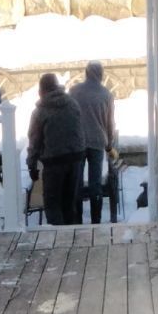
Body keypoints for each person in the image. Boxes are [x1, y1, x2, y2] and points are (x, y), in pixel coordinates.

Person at [26, 73, 86, 225]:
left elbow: (34, 142)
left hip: (54, 161)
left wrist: (32, 166)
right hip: (76, 158)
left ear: (41, 91)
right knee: (69, 203)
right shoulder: (72, 103)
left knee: (52, 204)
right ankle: (73, 237)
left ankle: (58, 238)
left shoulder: (40, 112)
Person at [69, 60, 119, 223]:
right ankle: (95, 220)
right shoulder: (106, 94)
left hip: (78, 142)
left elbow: (69, 116)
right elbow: (109, 123)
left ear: (86, 73)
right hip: (98, 142)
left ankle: (77, 219)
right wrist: (109, 145)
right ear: (101, 74)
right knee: (95, 182)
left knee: (76, 182)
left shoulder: (74, 91)